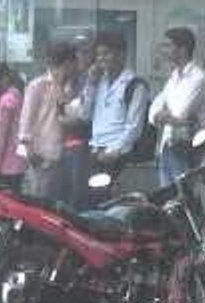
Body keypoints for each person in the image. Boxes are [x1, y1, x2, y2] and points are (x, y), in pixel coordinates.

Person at [80, 31, 149, 200]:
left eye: (106, 53)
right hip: (95, 152)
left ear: (121, 54)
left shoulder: (135, 85)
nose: (101, 59)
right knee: (89, 204)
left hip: (118, 158)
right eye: (98, 54)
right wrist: (90, 85)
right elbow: (85, 115)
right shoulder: (98, 82)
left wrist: (113, 152)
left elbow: (134, 128)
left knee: (110, 206)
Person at [148, 27, 205, 188]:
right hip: (168, 145)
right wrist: (161, 116)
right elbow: (154, 110)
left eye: (168, 46)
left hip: (188, 148)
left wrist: (166, 116)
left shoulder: (199, 78)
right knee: (168, 202)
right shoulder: (173, 77)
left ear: (183, 49)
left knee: (184, 199)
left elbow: (180, 113)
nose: (164, 50)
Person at [19, 43, 77, 200]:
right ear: (67, 63)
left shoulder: (71, 87)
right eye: (74, 62)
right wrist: (30, 152)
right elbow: (26, 121)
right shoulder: (38, 86)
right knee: (42, 203)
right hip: (43, 155)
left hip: (67, 155)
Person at [59, 35, 94, 210]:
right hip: (64, 143)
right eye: (77, 52)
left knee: (78, 194)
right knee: (64, 192)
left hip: (83, 144)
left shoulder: (93, 79)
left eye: (85, 51)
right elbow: (62, 110)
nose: (81, 56)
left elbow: (83, 116)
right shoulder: (68, 79)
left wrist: (68, 118)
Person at [0, 63, 27, 194]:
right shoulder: (20, 96)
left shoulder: (6, 100)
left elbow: (1, 135)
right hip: (19, 161)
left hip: (7, 163)